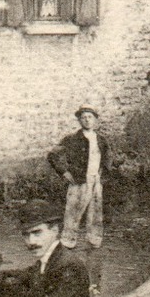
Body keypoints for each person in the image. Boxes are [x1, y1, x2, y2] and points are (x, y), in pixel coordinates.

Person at [47, 106, 115, 250]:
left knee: (95, 212)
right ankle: (68, 241)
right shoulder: (72, 139)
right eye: (83, 117)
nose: (87, 120)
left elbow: (108, 156)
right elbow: (53, 155)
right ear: (79, 120)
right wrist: (64, 172)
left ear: (95, 119)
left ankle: (94, 240)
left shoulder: (101, 140)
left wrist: (104, 172)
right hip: (79, 180)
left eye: (90, 117)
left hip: (96, 180)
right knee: (73, 211)